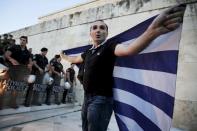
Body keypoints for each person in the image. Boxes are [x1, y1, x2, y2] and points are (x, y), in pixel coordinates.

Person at [60, 5, 185, 131]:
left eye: (102, 28)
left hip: (101, 99)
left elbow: (129, 50)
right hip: (87, 97)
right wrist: (63, 56)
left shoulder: (109, 46)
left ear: (106, 33)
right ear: (90, 33)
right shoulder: (88, 52)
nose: (98, 30)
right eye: (95, 28)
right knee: (85, 128)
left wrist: (152, 31)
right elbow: (75, 59)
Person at [5, 36, 32, 109]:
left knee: (16, 87)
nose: (22, 41)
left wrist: (30, 65)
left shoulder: (27, 52)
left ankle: (12, 102)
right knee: (5, 85)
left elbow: (30, 61)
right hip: (11, 68)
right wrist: (11, 59)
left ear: (26, 42)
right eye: (21, 40)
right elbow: (6, 55)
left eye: (24, 40)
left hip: (20, 71)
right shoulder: (14, 47)